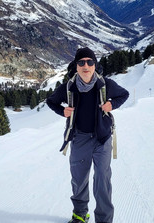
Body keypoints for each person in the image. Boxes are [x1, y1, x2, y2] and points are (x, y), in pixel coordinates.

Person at [46, 47, 129, 223]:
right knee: (79, 179)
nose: (86, 66)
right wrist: (63, 111)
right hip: (79, 138)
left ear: (94, 65)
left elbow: (124, 94)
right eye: (81, 62)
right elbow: (51, 101)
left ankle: (104, 220)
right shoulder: (69, 87)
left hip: (102, 138)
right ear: (76, 66)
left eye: (90, 62)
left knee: (102, 180)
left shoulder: (105, 84)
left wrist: (112, 105)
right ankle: (80, 215)